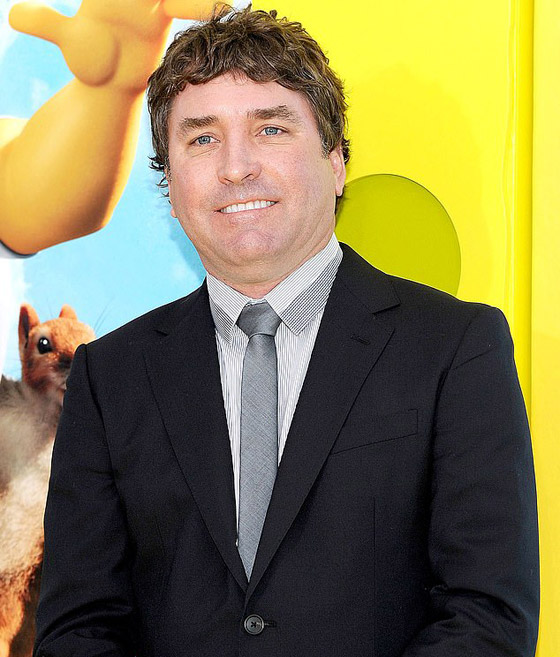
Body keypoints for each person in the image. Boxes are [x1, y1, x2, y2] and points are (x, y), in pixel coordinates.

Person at [34, 6, 539, 657]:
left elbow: (488, 617)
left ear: (336, 161)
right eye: (202, 139)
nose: (236, 167)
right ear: (169, 185)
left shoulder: (455, 349)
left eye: (270, 128)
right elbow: (78, 629)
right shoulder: (110, 378)